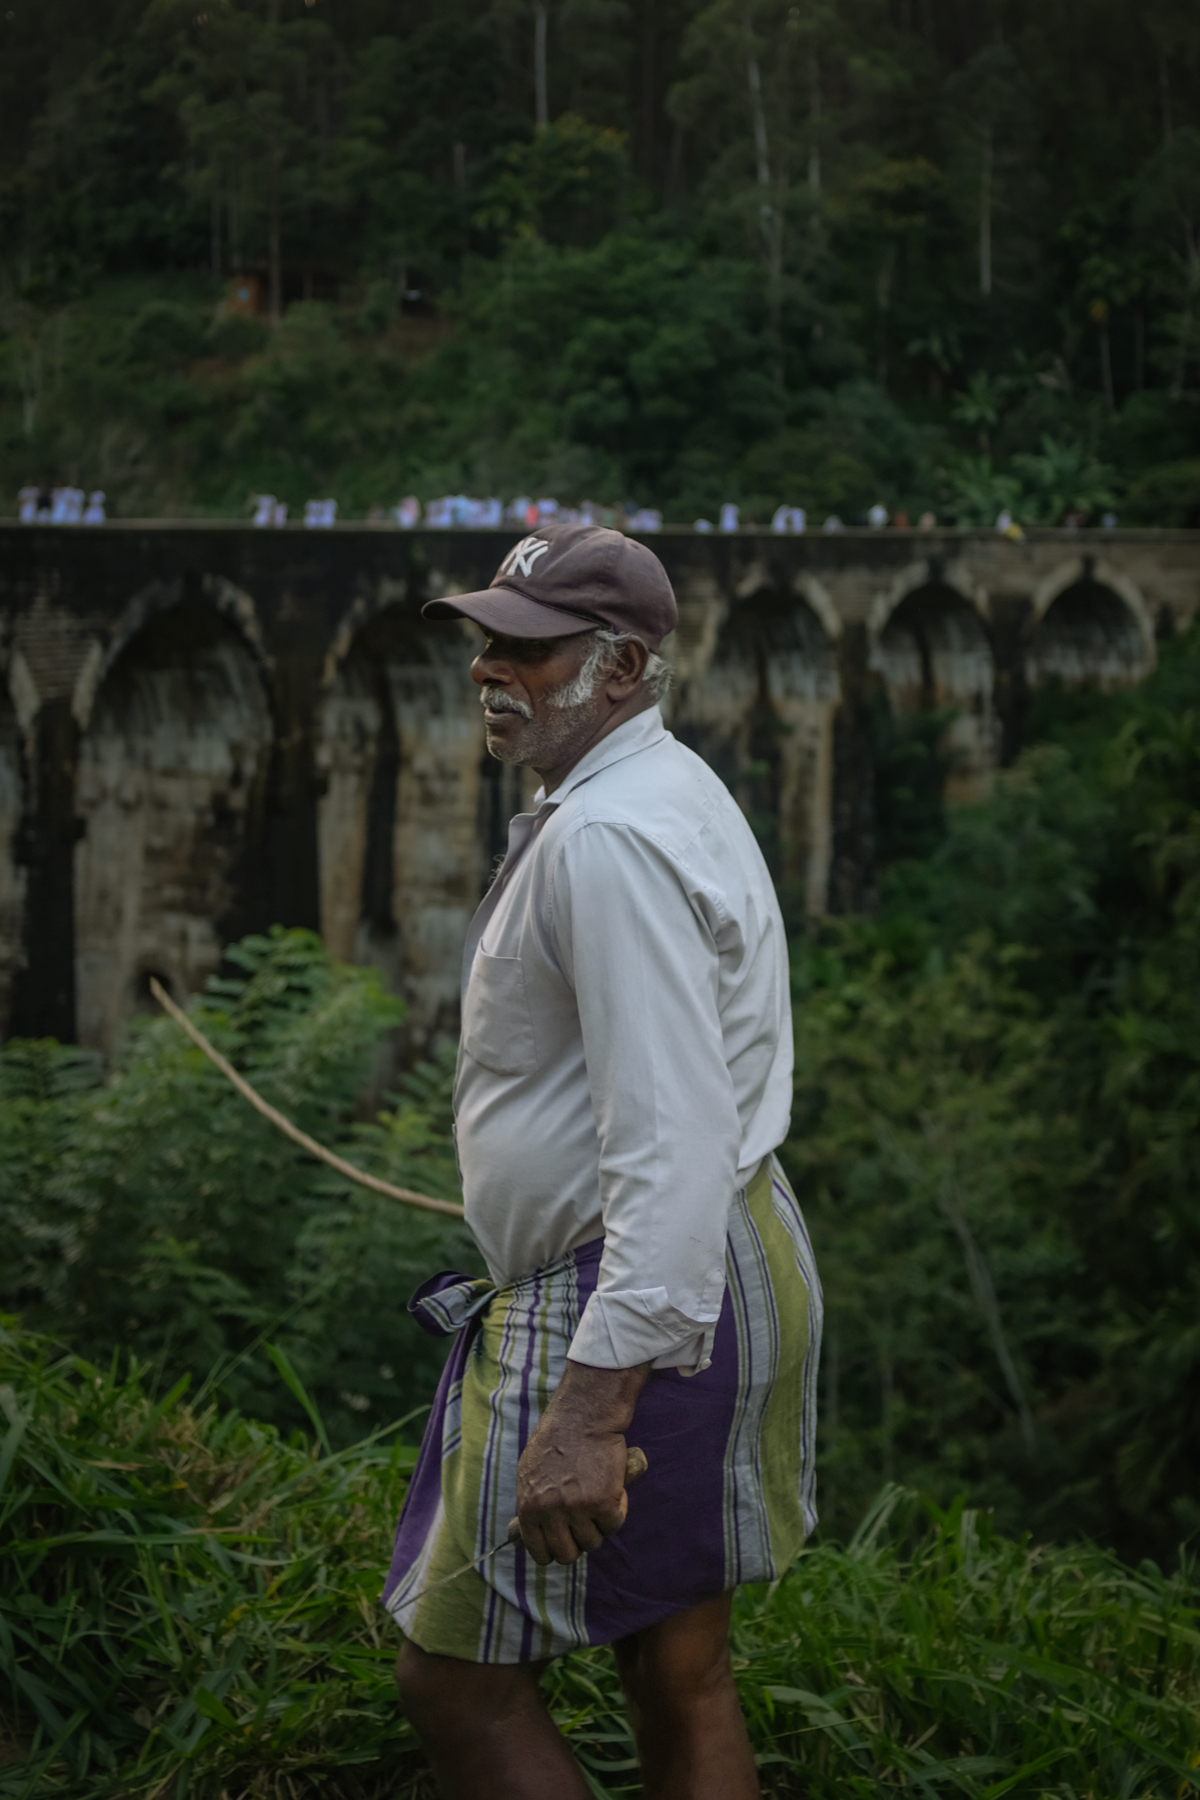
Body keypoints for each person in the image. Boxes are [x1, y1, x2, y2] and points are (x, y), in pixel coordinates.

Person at [385, 523, 822, 1800]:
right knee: (678, 1671)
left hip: (629, 1296)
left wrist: (591, 1410)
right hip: (718, 1255)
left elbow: (670, 1139)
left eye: (528, 649)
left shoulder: (607, 841)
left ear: (620, 667)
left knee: (452, 1681)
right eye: (486, 641)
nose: (488, 668)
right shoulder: (660, 786)